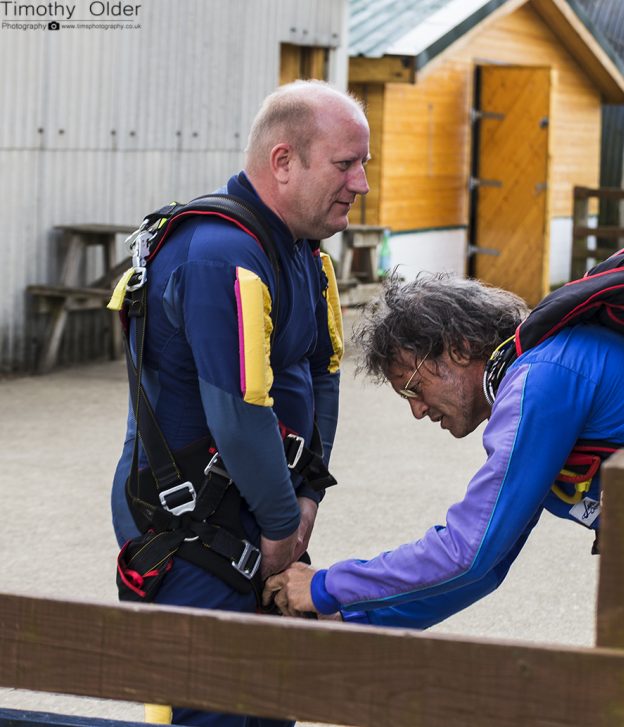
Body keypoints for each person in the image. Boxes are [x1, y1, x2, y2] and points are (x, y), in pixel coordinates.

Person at [262, 274, 624, 626]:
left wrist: (326, 585)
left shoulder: (544, 378)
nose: (416, 410)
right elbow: (479, 572)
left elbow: (469, 550)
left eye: (414, 387)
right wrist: (354, 620)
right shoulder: (534, 382)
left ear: (460, 347)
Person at [110, 80, 369, 727]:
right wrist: (284, 526)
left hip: (264, 520)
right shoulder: (221, 256)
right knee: (214, 711)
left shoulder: (306, 255)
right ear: (284, 162)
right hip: (195, 536)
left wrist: (307, 496)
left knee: (270, 705)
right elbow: (238, 411)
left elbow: (324, 373)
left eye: (365, 163)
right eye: (346, 163)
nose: (361, 183)